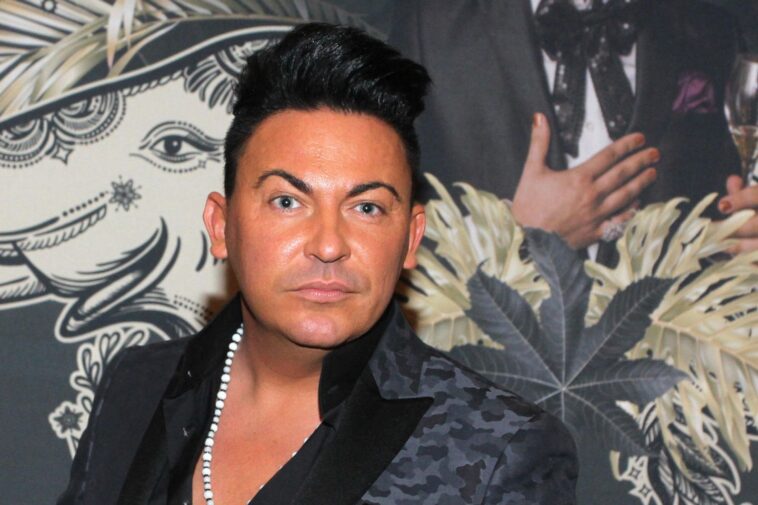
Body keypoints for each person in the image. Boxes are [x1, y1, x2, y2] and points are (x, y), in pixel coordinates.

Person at [57, 23, 578, 505]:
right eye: (288, 201)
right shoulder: (138, 384)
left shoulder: (499, 450)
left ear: (410, 238)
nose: (329, 246)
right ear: (221, 226)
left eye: (367, 208)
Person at [390, 0, 758, 260]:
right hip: (494, 346)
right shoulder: (430, 28)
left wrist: (744, 237)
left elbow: (730, 204)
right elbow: (384, 238)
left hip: (675, 344)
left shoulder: (712, 30)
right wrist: (518, 236)